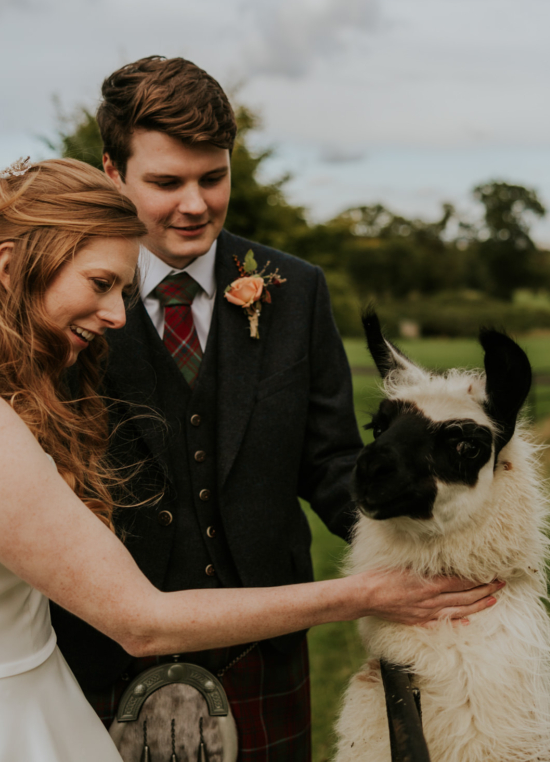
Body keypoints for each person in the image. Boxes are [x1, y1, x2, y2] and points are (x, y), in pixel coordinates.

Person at [0, 158, 501, 762]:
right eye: (98, 282)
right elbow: (140, 621)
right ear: (8, 263)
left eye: (122, 288)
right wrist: (366, 593)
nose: (117, 315)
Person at [47, 56, 367, 759]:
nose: (194, 204)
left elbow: (333, 461)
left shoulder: (297, 290)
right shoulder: (64, 295)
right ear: (112, 171)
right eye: (165, 182)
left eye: (212, 178)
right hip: (99, 645)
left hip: (262, 645)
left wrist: (427, 543)